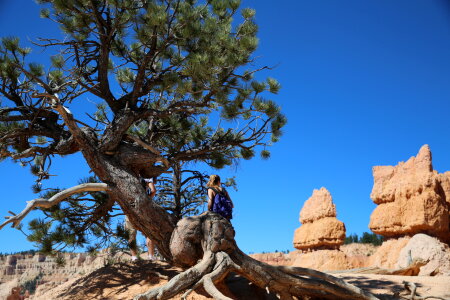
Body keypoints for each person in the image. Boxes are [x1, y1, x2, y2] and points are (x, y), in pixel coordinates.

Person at [124, 176, 157, 261]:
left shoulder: (126, 175)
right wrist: (147, 199)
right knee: (149, 232)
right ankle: (151, 256)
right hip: (144, 207)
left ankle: (134, 257)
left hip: (130, 207)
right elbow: (153, 191)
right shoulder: (147, 177)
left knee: (131, 232)